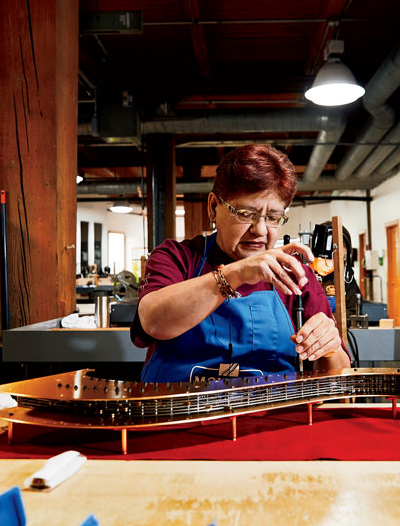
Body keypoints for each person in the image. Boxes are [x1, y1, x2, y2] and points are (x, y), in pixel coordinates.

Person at [131, 144, 350, 382]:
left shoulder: (296, 276)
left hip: (272, 413)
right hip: (178, 413)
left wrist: (331, 347)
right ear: (213, 207)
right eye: (246, 214)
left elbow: (338, 374)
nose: (260, 230)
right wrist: (238, 274)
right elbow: (153, 321)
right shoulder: (177, 258)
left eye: (273, 217)